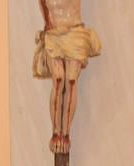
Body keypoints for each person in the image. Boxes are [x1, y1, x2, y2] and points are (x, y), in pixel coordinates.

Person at [33, 0, 100, 153]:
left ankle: (66, 133)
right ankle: (56, 132)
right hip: (54, 33)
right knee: (58, 78)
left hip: (74, 31)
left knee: (70, 80)